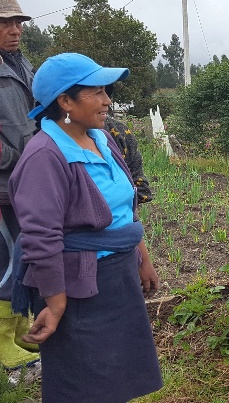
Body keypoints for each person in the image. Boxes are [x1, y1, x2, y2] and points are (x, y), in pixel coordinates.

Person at [8, 52, 163, 402]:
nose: (108, 100)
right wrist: (56, 303)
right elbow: (40, 238)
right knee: (83, 382)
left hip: (117, 275)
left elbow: (126, 209)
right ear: (65, 101)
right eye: (97, 92)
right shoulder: (45, 156)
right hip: (77, 284)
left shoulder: (102, 140)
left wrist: (143, 259)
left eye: (106, 91)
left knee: (115, 376)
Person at [0, 0, 40, 371]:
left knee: (22, 257)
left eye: (17, 22)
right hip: (2, 182)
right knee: (2, 260)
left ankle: (19, 331)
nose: (14, 30)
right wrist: (14, 155)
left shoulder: (21, 64)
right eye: (4, 22)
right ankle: (2, 344)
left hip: (24, 181)